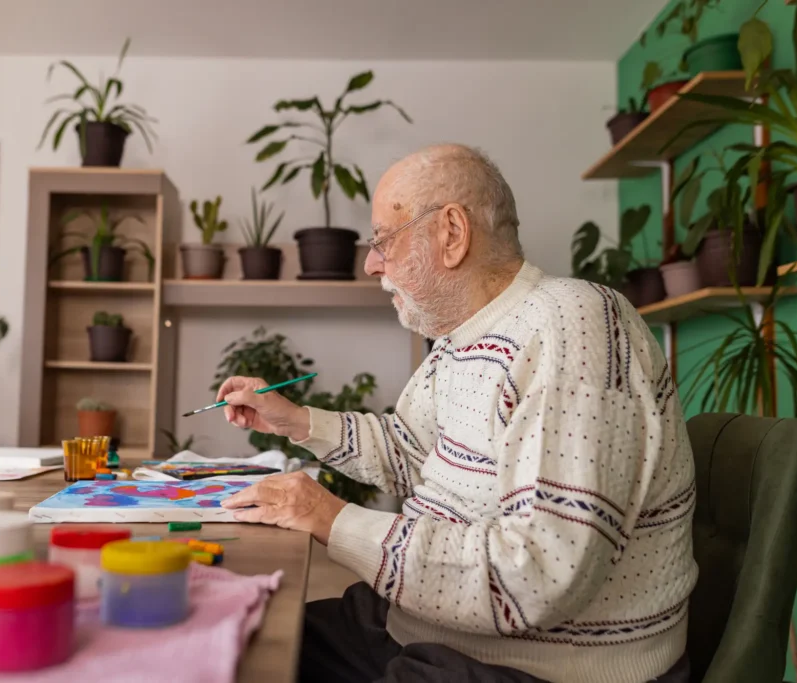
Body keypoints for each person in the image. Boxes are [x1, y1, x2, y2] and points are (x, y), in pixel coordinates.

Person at [218, 144, 697, 683]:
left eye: (382, 240)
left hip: (542, 665)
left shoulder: (572, 323)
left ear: (450, 233)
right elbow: (409, 452)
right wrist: (293, 421)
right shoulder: (458, 341)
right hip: (430, 624)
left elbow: (540, 572)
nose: (373, 262)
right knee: (242, 644)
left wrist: (330, 518)